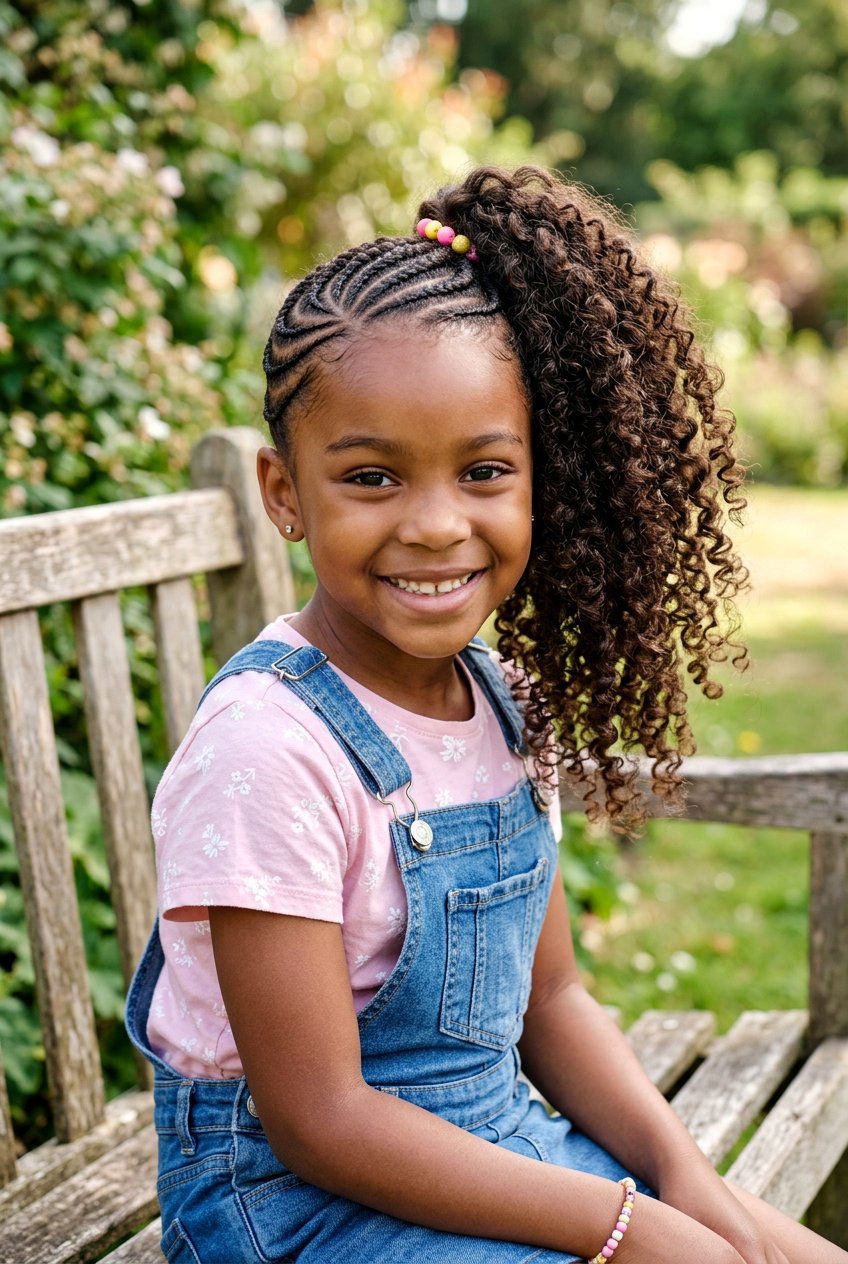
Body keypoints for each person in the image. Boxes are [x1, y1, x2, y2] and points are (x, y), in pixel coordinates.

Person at [125, 164, 847, 1264]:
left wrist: (681, 1176)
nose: (433, 524)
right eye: (370, 478)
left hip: (489, 1146)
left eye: (483, 472)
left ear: (536, 480)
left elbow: (551, 998)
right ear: (284, 493)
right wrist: (622, 1227)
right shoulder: (268, 750)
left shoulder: (501, 703)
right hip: (295, 1203)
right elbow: (319, 1120)